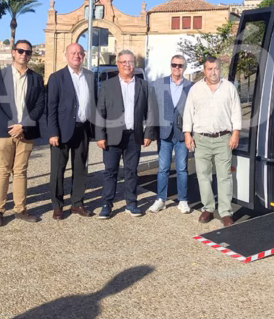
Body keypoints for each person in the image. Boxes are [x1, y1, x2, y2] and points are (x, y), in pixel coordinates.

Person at [0, 39, 45, 226]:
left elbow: (39, 105)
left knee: (21, 171)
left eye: (28, 52)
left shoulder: (36, 78)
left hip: (26, 132)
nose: (24, 55)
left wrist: (24, 125)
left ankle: (20, 209)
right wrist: (12, 126)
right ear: (13, 52)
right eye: (20, 51)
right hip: (4, 132)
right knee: (3, 171)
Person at [96, 50, 155, 219]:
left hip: (133, 136)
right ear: (118, 64)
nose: (127, 65)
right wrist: (100, 136)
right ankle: (107, 204)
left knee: (131, 171)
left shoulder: (144, 85)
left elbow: (151, 110)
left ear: (134, 64)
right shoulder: (108, 85)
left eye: (130, 62)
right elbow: (101, 112)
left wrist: (148, 133)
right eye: (123, 62)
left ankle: (131, 203)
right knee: (110, 171)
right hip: (112, 136)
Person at [183, 56, 242, 227]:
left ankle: (225, 212)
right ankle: (208, 208)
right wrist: (188, 134)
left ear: (220, 69)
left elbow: (236, 112)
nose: (213, 72)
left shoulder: (229, 88)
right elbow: (188, 113)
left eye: (216, 68)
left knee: (224, 178)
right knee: (203, 176)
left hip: (223, 139)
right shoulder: (196, 89)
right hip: (201, 139)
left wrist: (235, 133)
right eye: (210, 69)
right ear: (204, 71)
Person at [46, 43, 94, 220]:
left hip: (83, 129)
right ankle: (58, 206)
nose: (77, 56)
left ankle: (77, 203)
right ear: (66, 55)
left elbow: (93, 104)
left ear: (84, 56)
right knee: (58, 170)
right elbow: (50, 107)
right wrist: (53, 132)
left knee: (81, 168)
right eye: (73, 53)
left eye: (80, 53)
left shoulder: (90, 76)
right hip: (62, 130)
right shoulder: (57, 77)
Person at [147, 54, 193, 214]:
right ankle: (160, 199)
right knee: (163, 168)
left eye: (180, 65)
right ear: (170, 66)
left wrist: (192, 133)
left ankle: (183, 200)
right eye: (174, 65)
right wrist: (150, 132)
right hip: (164, 134)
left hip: (182, 134)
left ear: (185, 68)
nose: (177, 68)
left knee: (182, 169)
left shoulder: (191, 86)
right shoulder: (158, 84)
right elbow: (152, 109)